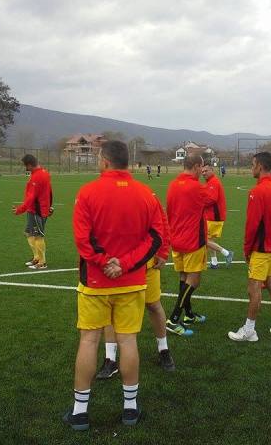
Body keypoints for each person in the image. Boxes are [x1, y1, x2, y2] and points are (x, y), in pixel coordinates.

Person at [64, 141, 166, 431]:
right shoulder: (146, 194)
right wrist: (125, 264)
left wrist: (107, 262)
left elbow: (83, 240)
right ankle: (130, 409)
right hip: (132, 283)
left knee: (89, 341)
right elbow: (156, 238)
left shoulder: (87, 192)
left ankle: (80, 413)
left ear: (104, 160)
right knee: (128, 341)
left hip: (95, 283)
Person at [96, 193, 179, 379]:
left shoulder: (146, 195)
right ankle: (110, 359)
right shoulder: (105, 195)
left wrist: (163, 251)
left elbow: (162, 224)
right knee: (111, 309)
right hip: (118, 265)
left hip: (146, 264)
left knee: (153, 305)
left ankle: (163, 349)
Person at [228, 152, 271, 342]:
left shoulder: (258, 191)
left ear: (260, 166)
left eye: (252, 164)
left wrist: (247, 249)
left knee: (254, 288)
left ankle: (249, 330)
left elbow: (252, 225)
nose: (251, 168)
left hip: (262, 248)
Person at [165, 154, 216, 336]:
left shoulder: (173, 184)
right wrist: (211, 178)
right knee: (194, 280)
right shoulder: (196, 187)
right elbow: (212, 198)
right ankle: (173, 319)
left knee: (184, 277)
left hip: (176, 238)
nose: (202, 171)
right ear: (195, 167)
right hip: (193, 240)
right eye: (201, 167)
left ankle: (188, 314)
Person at [12, 154, 53, 270]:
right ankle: (36, 257)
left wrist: (19, 210)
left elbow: (31, 197)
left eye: (26, 166)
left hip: (37, 211)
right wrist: (49, 206)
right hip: (35, 209)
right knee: (29, 233)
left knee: (38, 236)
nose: (25, 168)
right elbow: (49, 191)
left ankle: (42, 262)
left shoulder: (37, 176)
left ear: (29, 165)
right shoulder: (44, 172)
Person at [202, 164, 234, 269]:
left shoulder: (214, 182)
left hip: (213, 216)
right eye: (202, 171)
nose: (204, 173)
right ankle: (214, 263)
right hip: (212, 216)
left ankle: (227, 253)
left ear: (212, 170)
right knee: (210, 240)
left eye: (206, 171)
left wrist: (199, 204)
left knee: (204, 239)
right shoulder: (210, 182)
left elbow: (211, 199)